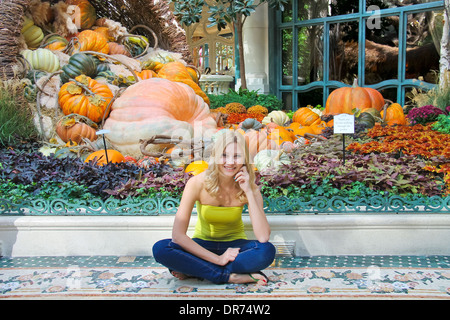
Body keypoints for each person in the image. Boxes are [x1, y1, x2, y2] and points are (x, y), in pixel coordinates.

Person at [152, 130, 276, 285]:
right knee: (161, 248)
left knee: (266, 251)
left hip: (236, 249)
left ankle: (197, 270)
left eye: (236, 156)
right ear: (215, 156)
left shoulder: (250, 188)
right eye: (224, 155)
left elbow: (263, 237)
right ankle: (229, 276)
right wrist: (218, 259)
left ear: (244, 159)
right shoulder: (197, 183)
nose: (230, 162)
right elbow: (178, 235)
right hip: (202, 245)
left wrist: (249, 192)